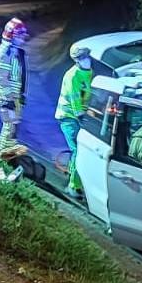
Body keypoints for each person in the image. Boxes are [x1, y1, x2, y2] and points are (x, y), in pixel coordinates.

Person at [55, 45, 94, 197]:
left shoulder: (88, 72)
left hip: (80, 116)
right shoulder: (72, 76)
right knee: (79, 150)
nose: (86, 60)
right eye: (83, 58)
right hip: (69, 117)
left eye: (87, 56)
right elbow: (74, 98)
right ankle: (73, 186)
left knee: (79, 150)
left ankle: (74, 175)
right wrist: (81, 115)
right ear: (76, 60)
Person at [0, 17, 29, 156]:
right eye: (20, 36)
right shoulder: (3, 53)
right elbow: (1, 79)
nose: (22, 39)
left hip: (15, 97)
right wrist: (8, 99)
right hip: (6, 97)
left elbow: (18, 76)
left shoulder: (14, 52)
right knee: (10, 125)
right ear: (11, 36)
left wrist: (21, 95)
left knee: (12, 126)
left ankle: (3, 151)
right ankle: (4, 156)